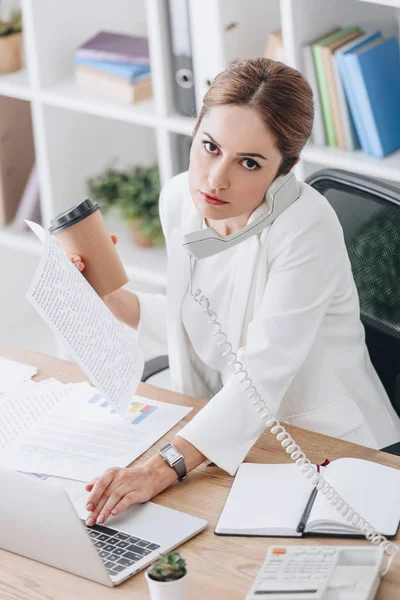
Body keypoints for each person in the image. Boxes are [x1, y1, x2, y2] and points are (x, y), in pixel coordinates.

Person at [70, 58, 400, 527]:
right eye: (209, 147)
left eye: (249, 162)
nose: (215, 178)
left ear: (284, 169)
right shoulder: (180, 199)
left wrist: (160, 468)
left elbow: (264, 367)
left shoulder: (306, 226)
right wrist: (111, 298)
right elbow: (205, 323)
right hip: (223, 436)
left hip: (329, 447)